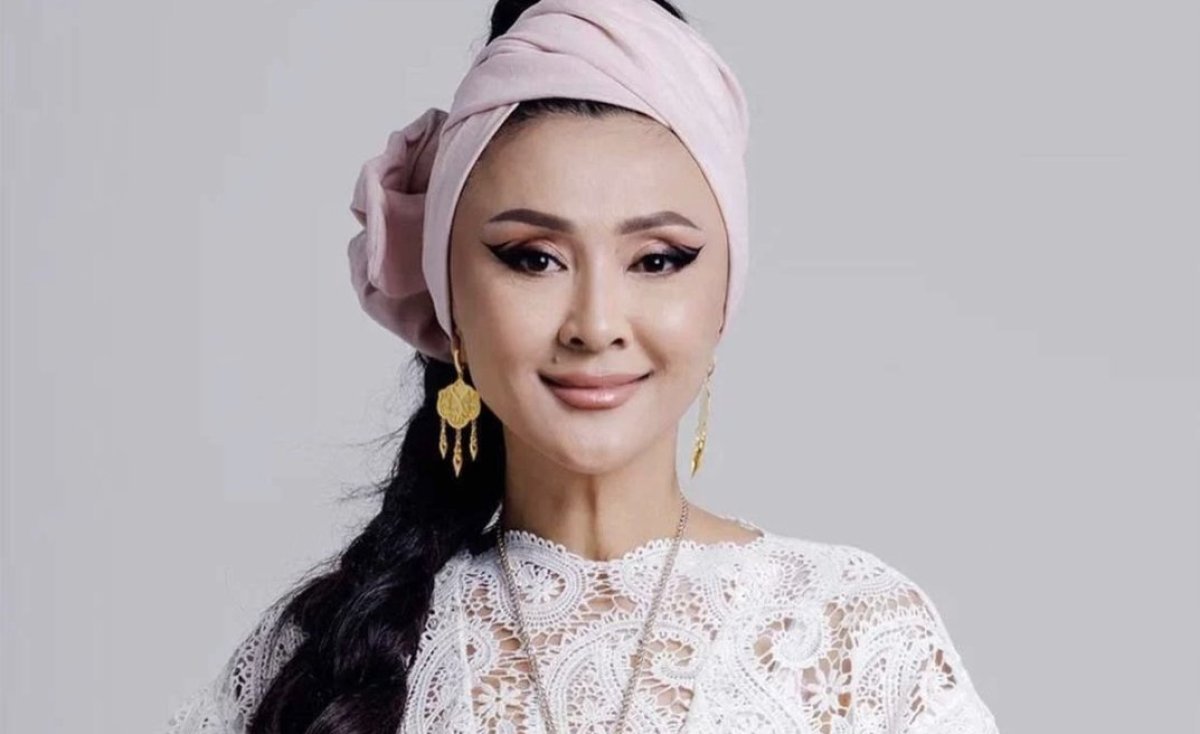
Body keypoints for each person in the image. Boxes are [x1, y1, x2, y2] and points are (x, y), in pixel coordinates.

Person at [165, 0, 1000, 732]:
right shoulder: (324, 660)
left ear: (724, 295)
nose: (596, 325)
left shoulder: (857, 640)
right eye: (533, 258)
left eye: (658, 259)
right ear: (450, 298)